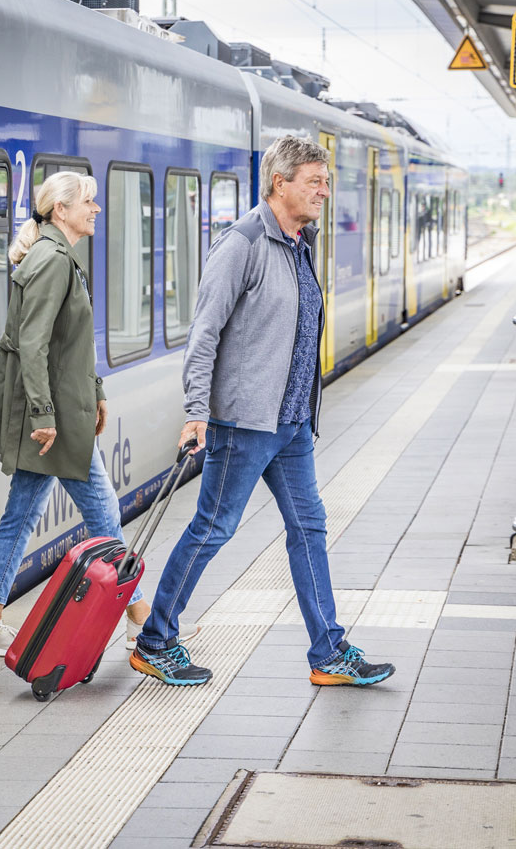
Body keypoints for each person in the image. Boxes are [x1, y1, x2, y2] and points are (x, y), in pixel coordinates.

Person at [129, 136, 395, 688]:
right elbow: (203, 335)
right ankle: (155, 640)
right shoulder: (243, 243)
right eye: (315, 182)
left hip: (292, 422)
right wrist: (197, 410)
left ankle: (329, 652)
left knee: (309, 527)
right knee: (212, 528)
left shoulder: (300, 241)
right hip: (245, 423)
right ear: (281, 183)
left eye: (326, 181)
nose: (325, 191)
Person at [0, 171, 196, 656]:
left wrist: (98, 391)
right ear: (61, 210)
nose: (96, 209)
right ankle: (139, 619)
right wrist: (45, 415)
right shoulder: (52, 261)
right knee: (104, 511)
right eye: (88, 201)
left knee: (21, 515)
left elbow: (70, 345)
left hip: (59, 408)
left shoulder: (57, 256)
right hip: (53, 418)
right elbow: (33, 342)